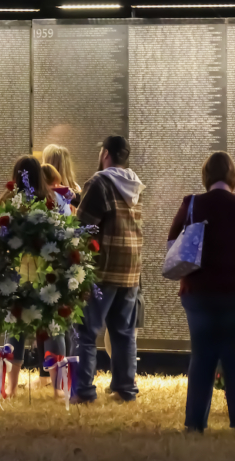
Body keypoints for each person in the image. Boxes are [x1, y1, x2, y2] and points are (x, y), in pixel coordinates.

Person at [169, 151, 235, 432]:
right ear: (233, 177)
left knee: (202, 356)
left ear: (205, 177)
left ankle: (195, 424)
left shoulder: (191, 204)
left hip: (200, 292)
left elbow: (172, 242)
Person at [72, 135, 144, 403]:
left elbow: (82, 228)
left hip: (102, 271)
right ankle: (125, 389)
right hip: (130, 270)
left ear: (105, 154)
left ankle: (83, 390)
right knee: (124, 333)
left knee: (87, 332)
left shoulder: (100, 182)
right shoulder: (135, 185)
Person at [0, 156, 66, 398]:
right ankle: (59, 390)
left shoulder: (8, 202)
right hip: (48, 276)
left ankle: (11, 388)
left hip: (17, 275)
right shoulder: (54, 200)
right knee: (53, 329)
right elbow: (65, 234)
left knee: (15, 329)